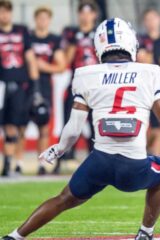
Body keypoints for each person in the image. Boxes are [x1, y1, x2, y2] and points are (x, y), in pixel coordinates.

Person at [1, 18, 160, 240]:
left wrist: (58, 150)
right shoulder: (150, 72)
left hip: (99, 162)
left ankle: (15, 236)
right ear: (131, 42)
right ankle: (145, 232)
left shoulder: (85, 74)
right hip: (133, 167)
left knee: (64, 198)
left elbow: (74, 128)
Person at [56, 0, 99, 173]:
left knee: (97, 124)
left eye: (89, 12)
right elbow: (66, 60)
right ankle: (60, 159)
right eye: (83, 12)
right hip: (77, 84)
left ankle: (96, 159)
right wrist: (75, 42)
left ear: (94, 15)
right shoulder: (71, 33)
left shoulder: (99, 33)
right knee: (70, 121)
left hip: (97, 85)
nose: (86, 16)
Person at [0, 0, 40, 177]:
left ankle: (9, 164)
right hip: (1, 83)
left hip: (18, 84)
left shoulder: (21, 31)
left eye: (6, 11)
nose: (4, 15)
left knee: (13, 125)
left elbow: (31, 59)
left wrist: (35, 87)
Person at [27, 6, 66, 175]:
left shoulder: (54, 40)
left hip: (44, 86)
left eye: (45, 18)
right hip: (25, 85)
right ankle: (17, 163)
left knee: (43, 125)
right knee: (19, 125)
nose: (42, 21)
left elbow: (61, 65)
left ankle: (41, 164)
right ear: (35, 19)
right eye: (40, 18)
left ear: (49, 20)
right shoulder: (27, 37)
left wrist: (43, 66)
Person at [136, 8, 160, 157]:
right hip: (145, 87)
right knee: (149, 126)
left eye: (153, 18)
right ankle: (144, 152)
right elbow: (143, 59)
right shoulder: (140, 40)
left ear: (159, 20)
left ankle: (156, 156)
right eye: (148, 19)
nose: (151, 22)